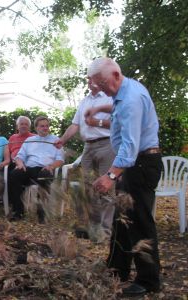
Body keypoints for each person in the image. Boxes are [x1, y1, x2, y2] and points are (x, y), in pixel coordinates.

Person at [85, 57, 162, 297]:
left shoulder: (130, 99)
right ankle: (117, 269)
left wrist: (110, 175)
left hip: (141, 165)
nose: (99, 89)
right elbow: (117, 116)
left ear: (115, 76)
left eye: (101, 84)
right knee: (121, 220)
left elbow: (130, 146)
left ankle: (149, 280)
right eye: (96, 85)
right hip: (134, 165)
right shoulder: (124, 91)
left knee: (139, 223)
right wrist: (98, 109)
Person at [54, 79, 115, 242]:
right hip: (88, 147)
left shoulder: (110, 98)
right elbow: (75, 125)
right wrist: (62, 139)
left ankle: (105, 231)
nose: (90, 82)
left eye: (94, 79)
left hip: (107, 144)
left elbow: (118, 123)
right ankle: (93, 228)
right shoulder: (85, 101)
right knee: (88, 189)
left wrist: (97, 122)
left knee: (106, 187)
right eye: (88, 79)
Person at [8, 116, 64, 223]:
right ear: (36, 128)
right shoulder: (29, 141)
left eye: (47, 126)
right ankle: (18, 211)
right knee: (14, 175)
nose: (45, 128)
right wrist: (19, 164)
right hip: (29, 168)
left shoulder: (56, 141)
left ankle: (41, 213)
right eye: (42, 126)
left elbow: (60, 159)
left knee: (44, 176)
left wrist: (51, 166)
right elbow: (19, 156)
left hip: (45, 168)